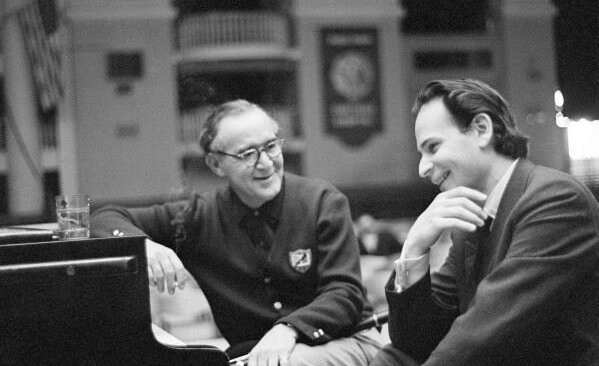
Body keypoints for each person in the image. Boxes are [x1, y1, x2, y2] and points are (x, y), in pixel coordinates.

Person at [91, 99, 381, 366]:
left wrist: (289, 329)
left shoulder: (323, 202)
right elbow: (104, 218)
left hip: (349, 339)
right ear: (216, 164)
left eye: (271, 146)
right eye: (247, 154)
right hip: (254, 357)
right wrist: (143, 244)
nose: (266, 163)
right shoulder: (198, 217)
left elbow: (346, 292)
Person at [370, 79, 599, 366]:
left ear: (481, 130)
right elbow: (414, 341)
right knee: (392, 357)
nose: (422, 168)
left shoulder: (556, 199)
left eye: (433, 147)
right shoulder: (472, 222)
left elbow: (484, 336)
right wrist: (414, 249)